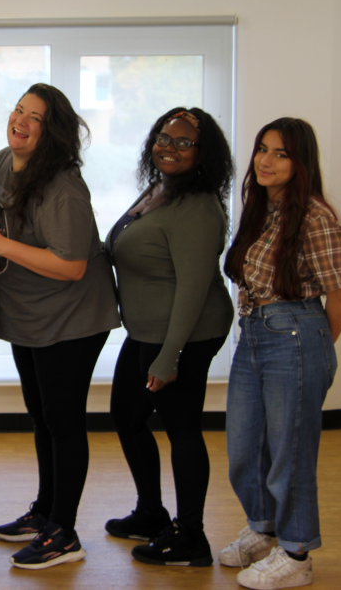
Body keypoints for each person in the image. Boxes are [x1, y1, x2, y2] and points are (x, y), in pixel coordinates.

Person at [0, 83, 119, 570]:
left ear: (55, 131)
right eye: (18, 110)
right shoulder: (4, 161)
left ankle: (65, 534)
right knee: (41, 415)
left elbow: (71, 266)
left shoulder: (63, 186)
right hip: (29, 313)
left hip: (73, 317)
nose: (20, 120)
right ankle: (45, 512)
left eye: (35, 117)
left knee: (63, 421)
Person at [220, 117, 341, 590]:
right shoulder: (260, 209)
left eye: (280, 153)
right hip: (253, 334)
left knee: (290, 453)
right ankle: (265, 529)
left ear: (301, 164)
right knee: (243, 447)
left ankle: (296, 554)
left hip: (295, 335)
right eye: (262, 149)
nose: (265, 160)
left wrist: (313, 353)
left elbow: (340, 298)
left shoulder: (315, 217)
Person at [101, 107, 235, 567]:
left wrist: (169, 357)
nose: (168, 147)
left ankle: (191, 537)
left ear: (204, 154)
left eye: (182, 142)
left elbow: (196, 287)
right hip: (147, 330)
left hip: (184, 334)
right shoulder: (160, 190)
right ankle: (152, 513)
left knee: (182, 430)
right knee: (127, 414)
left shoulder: (197, 206)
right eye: (163, 137)